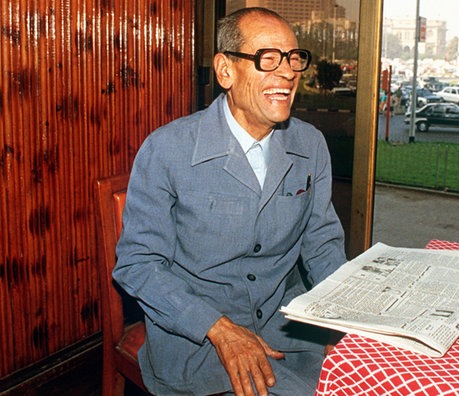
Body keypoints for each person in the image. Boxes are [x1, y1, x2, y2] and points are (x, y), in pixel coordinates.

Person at [113, 7, 347, 396]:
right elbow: (138, 266)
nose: (288, 73)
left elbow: (323, 245)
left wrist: (344, 320)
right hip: (198, 338)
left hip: (286, 330)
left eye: (293, 58)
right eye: (267, 58)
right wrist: (221, 330)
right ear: (225, 71)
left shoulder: (311, 145)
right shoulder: (167, 149)